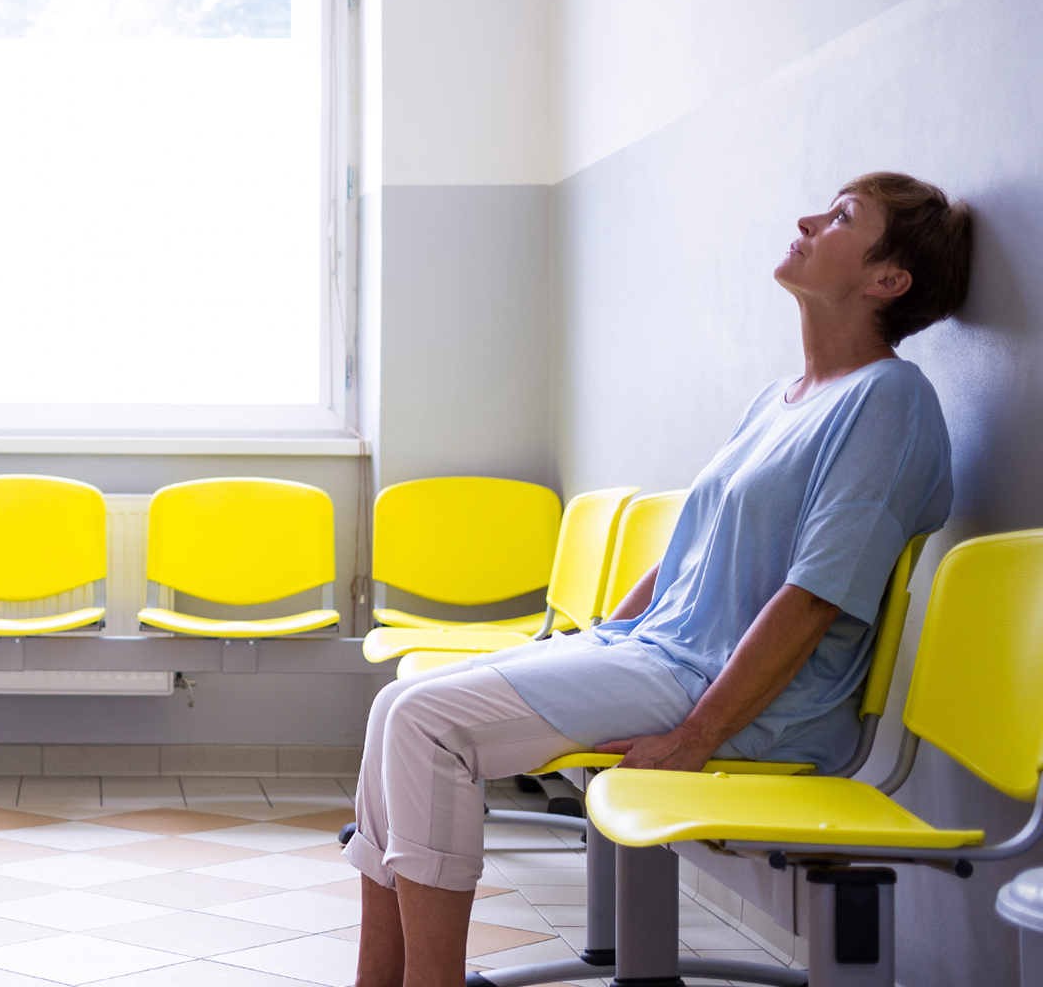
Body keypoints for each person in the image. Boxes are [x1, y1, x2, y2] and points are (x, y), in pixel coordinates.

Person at [347, 172, 974, 987]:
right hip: (657, 652)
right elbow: (687, 553)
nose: (807, 218)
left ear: (887, 281)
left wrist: (694, 739)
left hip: (731, 690)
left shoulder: (890, 400)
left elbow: (817, 596)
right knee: (395, 705)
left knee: (428, 722)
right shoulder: (779, 400)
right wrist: (591, 640)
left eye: (843, 217)